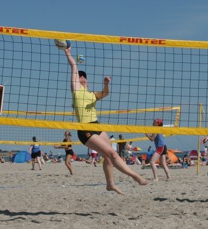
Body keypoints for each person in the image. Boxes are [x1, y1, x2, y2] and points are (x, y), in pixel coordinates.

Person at [62, 44, 147, 194]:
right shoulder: (76, 90)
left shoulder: (92, 95)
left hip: (97, 126)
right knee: (112, 153)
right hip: (85, 129)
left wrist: (106, 84)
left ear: (85, 79)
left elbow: (105, 93)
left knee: (108, 157)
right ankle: (135, 176)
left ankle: (110, 184)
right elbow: (74, 67)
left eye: (82, 76)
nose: (80, 77)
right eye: (78, 76)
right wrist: (68, 53)